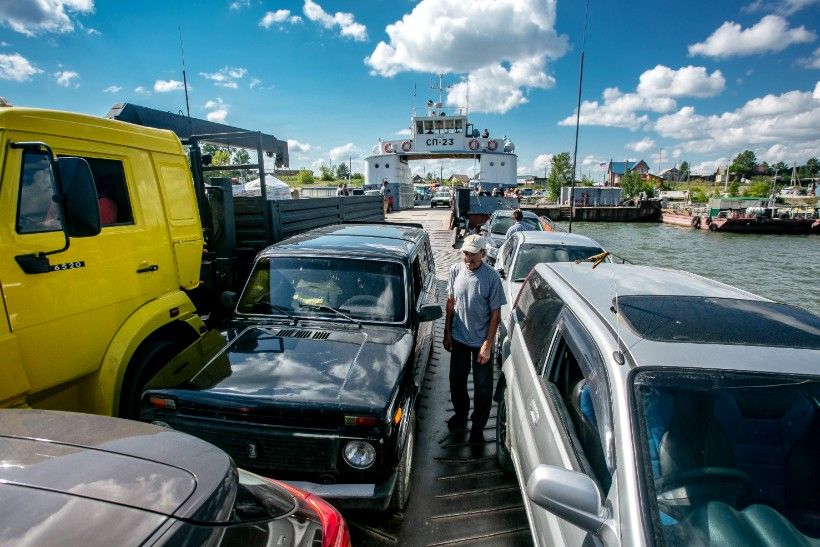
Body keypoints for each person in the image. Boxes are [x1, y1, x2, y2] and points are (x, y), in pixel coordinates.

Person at [443, 234, 505, 444]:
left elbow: (496, 315)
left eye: (473, 254)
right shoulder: (455, 270)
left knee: (483, 388)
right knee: (456, 381)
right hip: (459, 339)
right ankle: (460, 415)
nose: (468, 258)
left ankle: (478, 426)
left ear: (483, 253)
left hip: (481, 342)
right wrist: (447, 332)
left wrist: (488, 344)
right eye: (465, 253)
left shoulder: (491, 277)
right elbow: (450, 304)